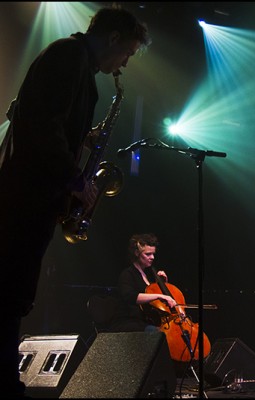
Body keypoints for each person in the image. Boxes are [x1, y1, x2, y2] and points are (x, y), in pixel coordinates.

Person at [0, 6, 151, 397]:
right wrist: (75, 179)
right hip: (24, 196)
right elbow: (40, 125)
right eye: (127, 54)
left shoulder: (75, 63)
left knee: (14, 291)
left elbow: (41, 116)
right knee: (9, 290)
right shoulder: (68, 56)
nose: (124, 64)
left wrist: (83, 137)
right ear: (114, 38)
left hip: (31, 195)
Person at [111, 233, 177, 332]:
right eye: (148, 254)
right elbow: (130, 297)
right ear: (137, 253)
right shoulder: (127, 274)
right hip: (131, 322)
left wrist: (163, 284)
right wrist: (159, 296)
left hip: (147, 320)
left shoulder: (149, 274)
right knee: (159, 334)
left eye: (153, 254)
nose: (152, 257)